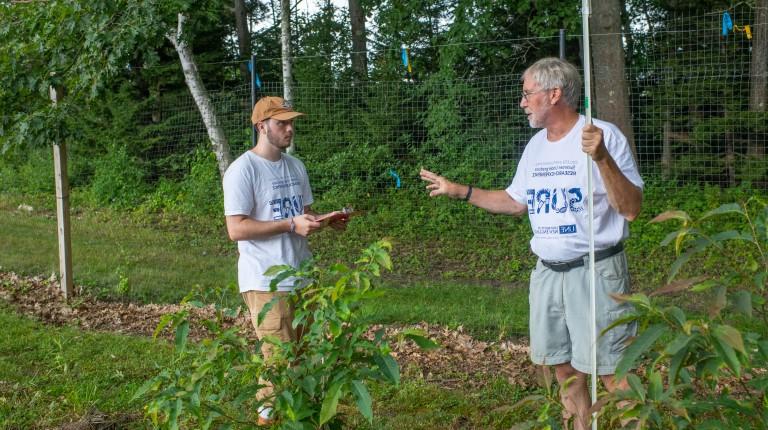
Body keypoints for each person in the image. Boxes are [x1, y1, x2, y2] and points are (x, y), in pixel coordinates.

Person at [420, 57, 643, 429]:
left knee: (611, 373)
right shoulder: (536, 146)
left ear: (554, 94)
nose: (522, 102)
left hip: (596, 272)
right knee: (563, 369)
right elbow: (514, 202)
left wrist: (602, 158)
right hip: (548, 276)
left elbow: (631, 209)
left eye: (527, 94)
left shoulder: (601, 136)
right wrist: (458, 190)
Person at [222, 96, 347, 425]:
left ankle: (297, 418)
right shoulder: (243, 170)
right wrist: (291, 224)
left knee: (305, 357)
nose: (290, 129)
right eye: (282, 123)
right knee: (279, 362)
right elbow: (236, 229)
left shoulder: (296, 166)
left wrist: (325, 221)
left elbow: (303, 217)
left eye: (292, 122)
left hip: (303, 276)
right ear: (261, 127)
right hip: (265, 281)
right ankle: (268, 420)